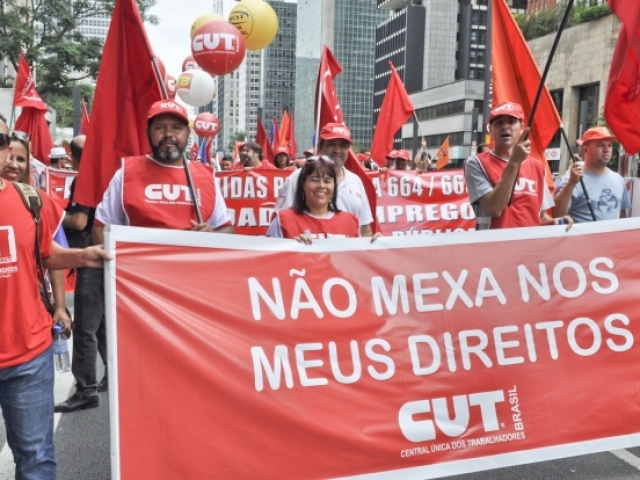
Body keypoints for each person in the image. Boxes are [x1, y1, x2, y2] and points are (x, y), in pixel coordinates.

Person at [0, 118, 110, 479]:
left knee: (36, 460)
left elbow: (45, 253)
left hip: (28, 355)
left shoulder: (30, 200)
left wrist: (84, 256)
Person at [94, 100, 234, 243]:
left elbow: (226, 229)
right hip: (139, 264)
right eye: (160, 127)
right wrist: (116, 263)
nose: (168, 134)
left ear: (187, 133)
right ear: (148, 132)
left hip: (191, 263)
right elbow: (101, 228)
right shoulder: (126, 172)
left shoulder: (207, 176)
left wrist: (213, 236)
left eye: (176, 128)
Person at [0, 130, 72, 349]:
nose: (13, 165)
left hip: (31, 315)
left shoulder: (37, 202)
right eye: (10, 158)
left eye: (21, 159)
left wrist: (59, 306)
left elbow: (54, 258)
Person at [56, 135, 110, 413]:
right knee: (101, 326)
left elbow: (79, 220)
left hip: (90, 256)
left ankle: (86, 389)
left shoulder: (85, 180)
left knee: (86, 328)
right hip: (105, 256)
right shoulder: (109, 175)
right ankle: (110, 376)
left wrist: (52, 211)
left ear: (75, 158)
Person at [464, 101, 572, 230]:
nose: (505, 126)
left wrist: (556, 222)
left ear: (522, 128)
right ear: (490, 129)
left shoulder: (537, 167)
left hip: (529, 246)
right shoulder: (476, 162)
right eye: (499, 122)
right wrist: (514, 162)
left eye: (511, 121)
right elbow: (494, 209)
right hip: (494, 245)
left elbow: (541, 217)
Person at [276, 123, 375, 237]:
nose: (337, 150)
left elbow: (365, 229)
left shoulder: (356, 181)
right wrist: (295, 241)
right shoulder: (296, 178)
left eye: (343, 145)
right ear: (320, 147)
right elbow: (281, 225)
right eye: (331, 144)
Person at [267, 156, 360, 243]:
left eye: (327, 181)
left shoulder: (351, 221)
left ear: (334, 185)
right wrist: (292, 248)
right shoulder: (283, 220)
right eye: (314, 180)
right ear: (303, 184)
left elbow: (358, 257)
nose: (321, 186)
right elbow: (269, 258)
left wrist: (374, 244)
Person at [553, 126, 630, 222]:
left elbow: (622, 217)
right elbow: (557, 215)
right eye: (601, 145)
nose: (606, 149)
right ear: (586, 150)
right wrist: (571, 183)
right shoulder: (573, 177)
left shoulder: (619, 180)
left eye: (609, 145)